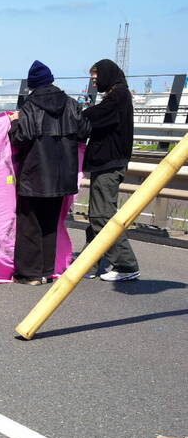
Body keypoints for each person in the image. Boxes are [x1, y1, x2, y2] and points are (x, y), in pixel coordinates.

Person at [8, 60, 91, 285]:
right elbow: (84, 131)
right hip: (63, 176)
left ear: (32, 84)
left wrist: (15, 123)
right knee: (50, 224)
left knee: (29, 225)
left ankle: (29, 274)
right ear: (51, 80)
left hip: (34, 175)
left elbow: (20, 138)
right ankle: (46, 271)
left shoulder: (29, 107)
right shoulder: (72, 104)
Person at [81, 59, 139, 281]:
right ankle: (88, 264)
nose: (94, 83)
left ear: (106, 75)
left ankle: (126, 265)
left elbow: (94, 116)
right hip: (107, 163)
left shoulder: (118, 96)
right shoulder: (117, 95)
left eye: (96, 79)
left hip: (110, 163)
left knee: (102, 215)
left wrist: (74, 115)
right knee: (97, 214)